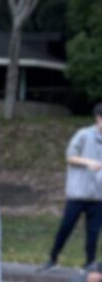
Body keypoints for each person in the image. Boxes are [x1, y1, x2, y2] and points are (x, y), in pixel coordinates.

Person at [38, 103, 102, 272]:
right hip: (78, 194)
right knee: (66, 227)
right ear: (98, 118)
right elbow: (70, 157)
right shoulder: (83, 135)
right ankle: (52, 259)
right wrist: (89, 162)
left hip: (98, 196)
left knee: (93, 232)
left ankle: (90, 263)